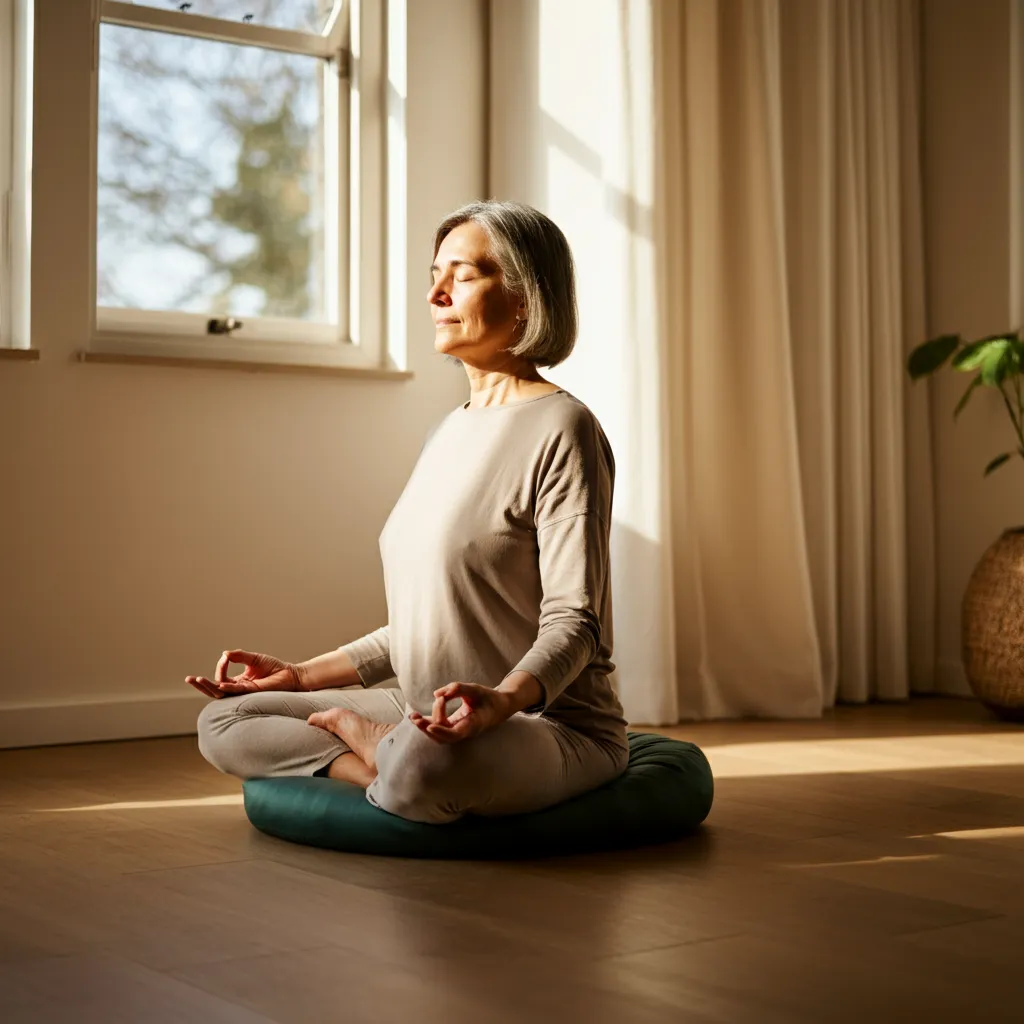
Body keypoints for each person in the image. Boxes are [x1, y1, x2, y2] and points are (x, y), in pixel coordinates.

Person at [188, 200, 629, 824]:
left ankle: (389, 757)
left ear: (525, 296)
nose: (436, 293)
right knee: (223, 720)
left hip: (545, 723)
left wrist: (501, 705)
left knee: (428, 764)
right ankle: (376, 759)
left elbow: (574, 624)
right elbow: (427, 623)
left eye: (464, 274)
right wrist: (299, 677)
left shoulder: (565, 428)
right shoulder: (447, 431)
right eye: (434, 273)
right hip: (426, 714)